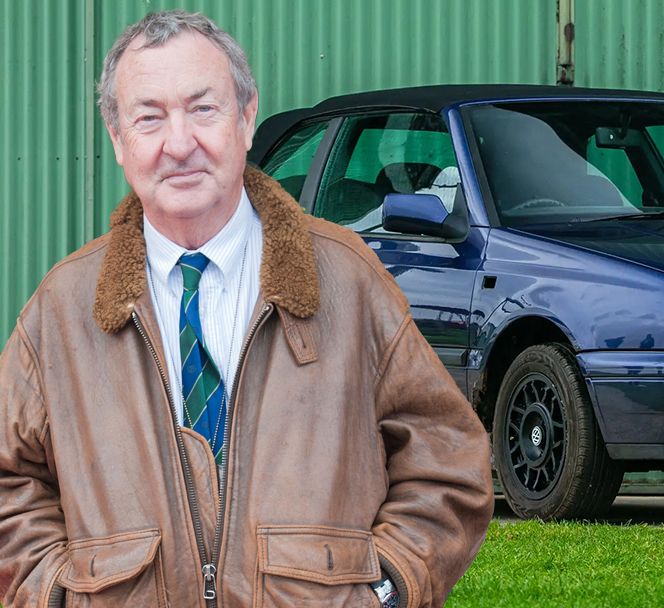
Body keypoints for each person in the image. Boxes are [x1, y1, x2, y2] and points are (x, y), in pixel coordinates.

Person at [0, 10, 493, 608]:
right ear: (118, 140)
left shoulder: (345, 278)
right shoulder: (61, 309)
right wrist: (53, 592)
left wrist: (386, 588)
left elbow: (448, 462)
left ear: (246, 116)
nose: (179, 143)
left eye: (202, 109)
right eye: (149, 117)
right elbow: (10, 485)